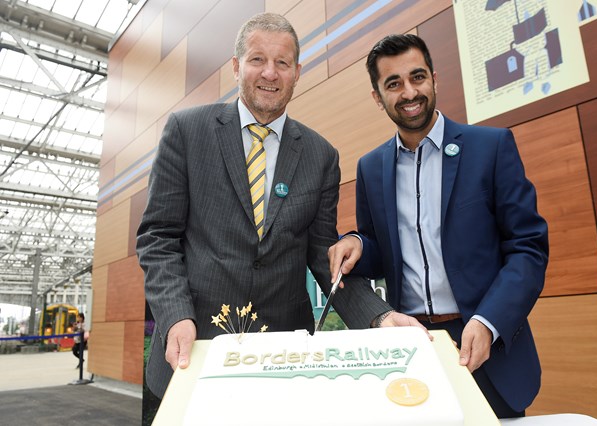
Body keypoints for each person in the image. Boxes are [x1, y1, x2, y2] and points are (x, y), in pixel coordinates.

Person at [136, 13, 405, 400]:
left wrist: (377, 316)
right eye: (257, 59)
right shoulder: (186, 131)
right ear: (235, 66)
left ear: (297, 72)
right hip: (194, 351)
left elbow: (322, 255)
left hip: (282, 362)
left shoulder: (321, 156)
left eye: (282, 63)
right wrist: (176, 314)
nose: (270, 73)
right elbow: (158, 238)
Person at [328, 34, 549, 418]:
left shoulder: (491, 147)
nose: (409, 92)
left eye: (417, 77)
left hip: (485, 347)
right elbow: (382, 250)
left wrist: (489, 320)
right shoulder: (370, 168)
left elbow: (528, 248)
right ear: (377, 97)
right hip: (413, 349)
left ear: (434, 78)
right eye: (393, 84)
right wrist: (359, 245)